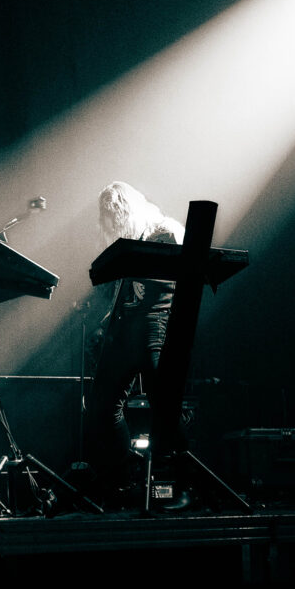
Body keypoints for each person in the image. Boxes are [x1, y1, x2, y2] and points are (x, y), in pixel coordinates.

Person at [86, 182, 185, 505]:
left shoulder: (165, 231)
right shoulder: (128, 244)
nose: (114, 226)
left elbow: (182, 277)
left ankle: (179, 482)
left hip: (157, 325)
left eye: (117, 218)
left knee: (165, 405)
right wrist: (104, 325)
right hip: (126, 330)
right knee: (101, 404)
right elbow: (124, 296)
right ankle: (124, 473)